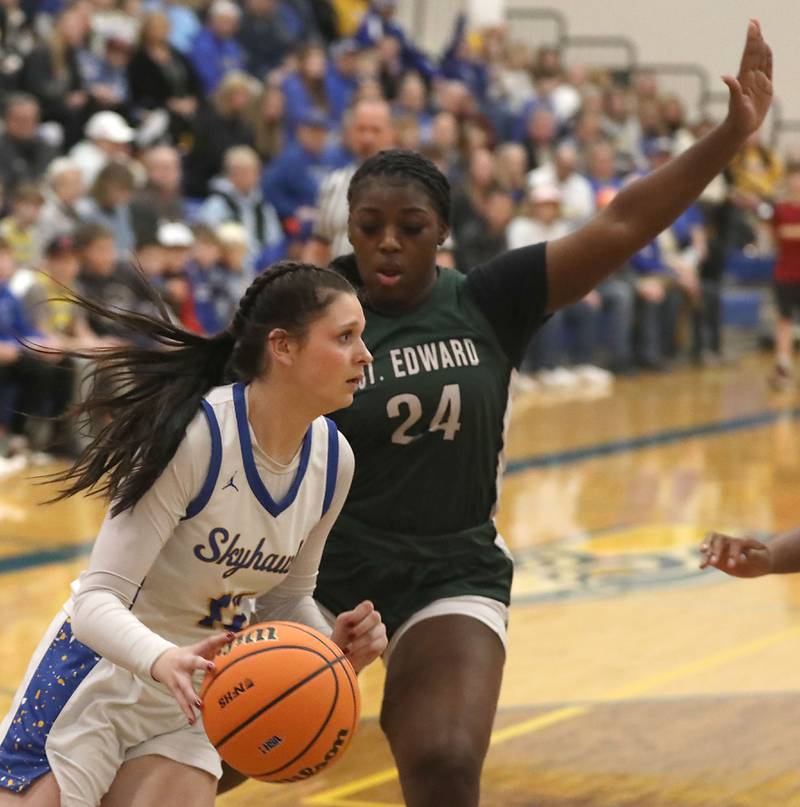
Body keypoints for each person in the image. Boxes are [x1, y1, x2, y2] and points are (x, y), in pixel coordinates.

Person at [218, 20, 772, 807]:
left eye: (409, 229)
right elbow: (218, 398)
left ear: (441, 232)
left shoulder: (487, 299)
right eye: (368, 226)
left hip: (452, 568)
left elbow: (621, 223)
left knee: (443, 760)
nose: (386, 245)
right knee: (213, 754)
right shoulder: (309, 308)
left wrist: (729, 136)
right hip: (325, 579)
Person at [0, 261, 387, 805]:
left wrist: (332, 654)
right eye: (344, 337)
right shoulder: (196, 438)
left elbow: (287, 599)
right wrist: (161, 659)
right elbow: (95, 603)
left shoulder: (334, 459)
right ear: (284, 347)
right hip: (99, 677)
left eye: (361, 338)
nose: (364, 355)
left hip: (197, 693)